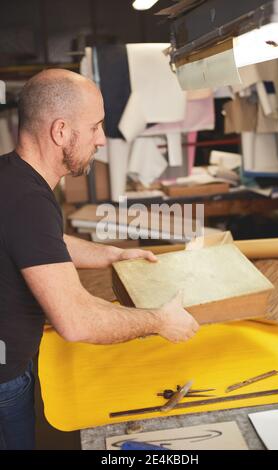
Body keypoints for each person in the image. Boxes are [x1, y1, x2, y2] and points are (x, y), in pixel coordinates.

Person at [0, 69, 199, 449]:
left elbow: (39, 243)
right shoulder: (28, 199)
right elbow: (76, 322)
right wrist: (161, 321)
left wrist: (112, 255)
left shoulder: (11, 175)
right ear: (60, 131)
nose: (102, 140)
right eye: (95, 127)